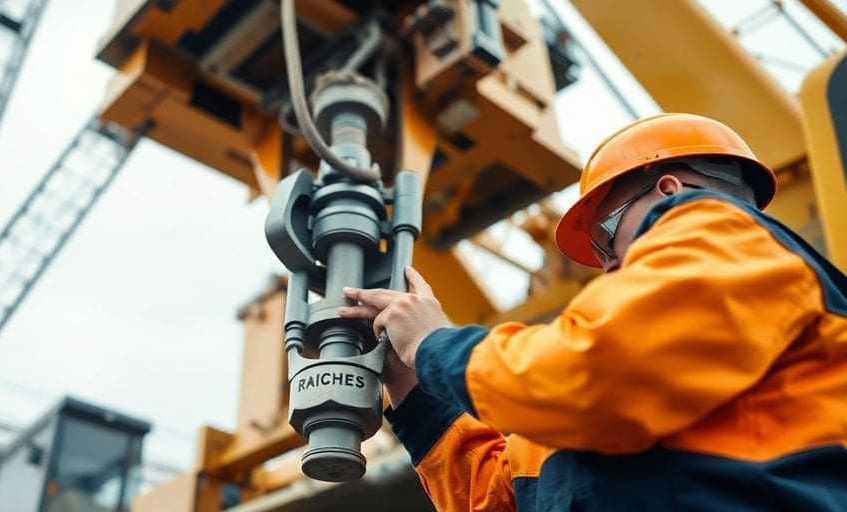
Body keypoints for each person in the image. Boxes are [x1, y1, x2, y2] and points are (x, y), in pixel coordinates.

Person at [340, 113, 847, 511]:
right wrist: (408, 383)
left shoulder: (717, 233)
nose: (607, 270)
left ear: (669, 191)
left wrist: (435, 344)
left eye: (606, 239)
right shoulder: (591, 403)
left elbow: (592, 370)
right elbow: (494, 497)